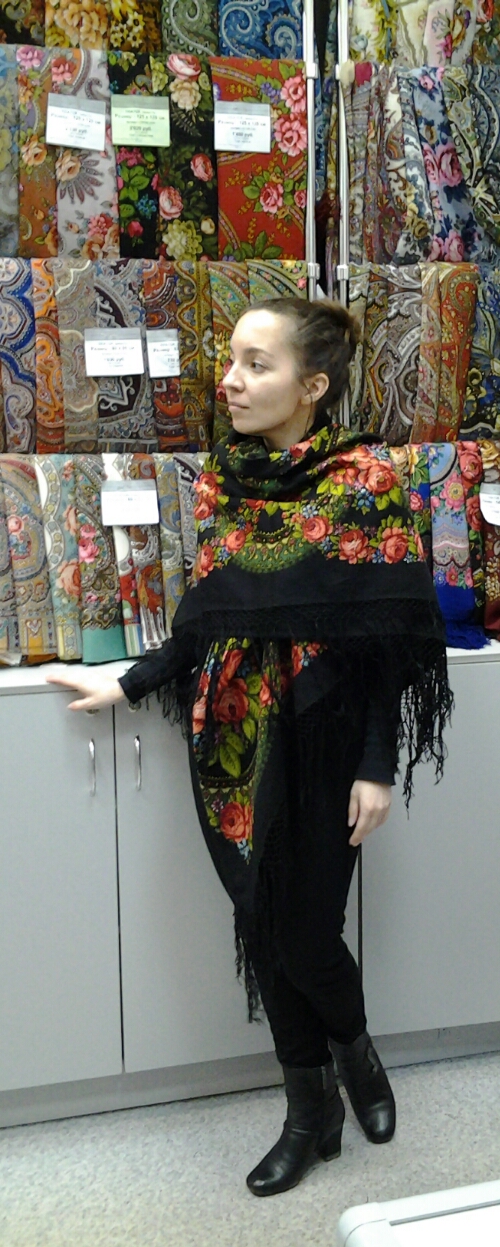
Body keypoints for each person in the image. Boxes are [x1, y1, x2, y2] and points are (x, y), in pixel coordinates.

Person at [48, 298, 452, 1198]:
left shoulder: (364, 483)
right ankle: (310, 1108)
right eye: (231, 360)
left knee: (307, 932)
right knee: (265, 927)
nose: (229, 380)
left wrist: (377, 764)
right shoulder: (224, 483)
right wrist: (129, 683)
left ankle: (357, 1051)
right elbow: (206, 621)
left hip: (324, 741)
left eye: (256, 365)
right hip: (231, 743)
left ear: (313, 386)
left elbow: (384, 645)